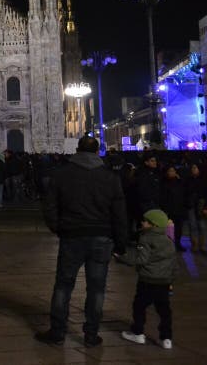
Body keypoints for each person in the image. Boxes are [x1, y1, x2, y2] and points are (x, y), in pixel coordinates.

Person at [35, 136, 127, 348]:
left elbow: (49, 206)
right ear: (97, 152)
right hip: (101, 238)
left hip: (72, 236)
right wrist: (121, 242)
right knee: (96, 288)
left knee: (63, 285)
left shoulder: (61, 174)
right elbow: (119, 213)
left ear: (77, 150)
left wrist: (58, 228)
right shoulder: (110, 177)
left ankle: (57, 332)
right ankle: (91, 334)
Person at [116, 209, 177, 350]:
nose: (142, 222)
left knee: (139, 306)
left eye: (145, 221)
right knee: (164, 311)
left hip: (147, 281)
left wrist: (122, 258)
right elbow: (174, 264)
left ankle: (138, 333)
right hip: (164, 282)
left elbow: (140, 259)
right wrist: (171, 280)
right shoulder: (169, 241)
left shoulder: (145, 238)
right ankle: (166, 338)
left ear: (153, 225)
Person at [184, 163, 207, 253]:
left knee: (202, 226)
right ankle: (194, 245)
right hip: (191, 205)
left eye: (195, 168)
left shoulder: (204, 180)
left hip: (201, 206)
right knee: (192, 225)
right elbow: (186, 192)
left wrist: (206, 206)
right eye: (192, 168)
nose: (193, 169)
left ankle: (202, 245)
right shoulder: (188, 180)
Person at [159, 165, 187, 252]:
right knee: (168, 228)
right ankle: (169, 245)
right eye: (170, 171)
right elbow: (162, 197)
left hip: (178, 209)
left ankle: (177, 244)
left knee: (179, 228)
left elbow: (184, 194)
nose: (172, 172)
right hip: (169, 210)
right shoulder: (163, 183)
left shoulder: (180, 182)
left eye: (173, 171)